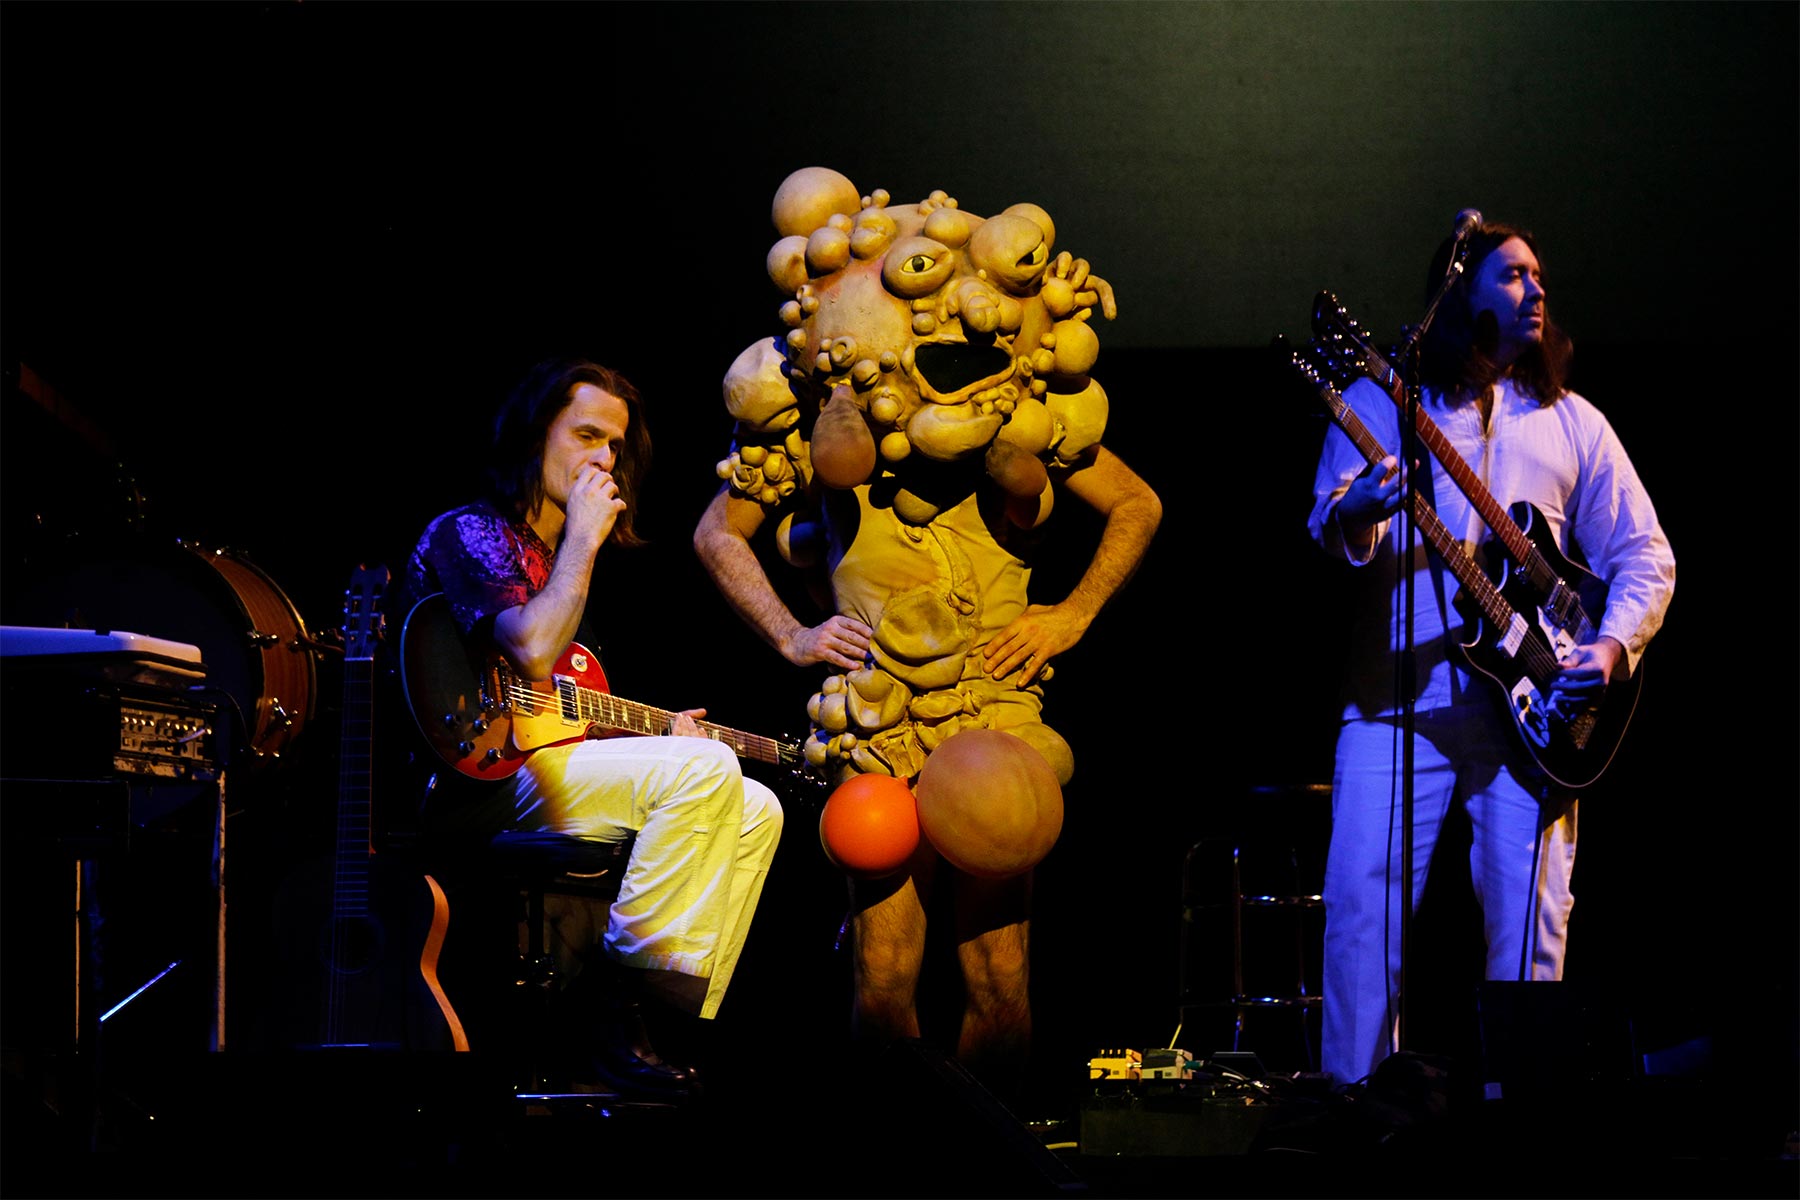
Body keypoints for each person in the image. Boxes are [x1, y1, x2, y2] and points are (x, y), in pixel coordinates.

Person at [1308, 222, 1676, 1087]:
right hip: (1390, 710)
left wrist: (1613, 645)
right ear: (1459, 291)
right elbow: (1327, 526)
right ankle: (1357, 1123)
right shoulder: (1377, 399)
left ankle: (1523, 1133)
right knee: (1363, 921)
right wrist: (1358, 508)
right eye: (1515, 276)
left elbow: (1645, 554)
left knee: (1531, 928)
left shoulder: (1570, 420)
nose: (1538, 291)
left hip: (1534, 715)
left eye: (1541, 275)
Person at [695, 440, 1160, 1088]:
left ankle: (988, 1166)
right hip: (878, 719)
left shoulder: (1006, 402)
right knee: (883, 970)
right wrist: (791, 633)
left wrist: (1072, 613)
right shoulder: (833, 410)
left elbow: (1137, 501)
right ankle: (905, 1167)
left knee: (1000, 971)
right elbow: (718, 530)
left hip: (989, 710)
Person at [406, 356, 783, 1091]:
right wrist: (581, 537)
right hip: (464, 787)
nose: (604, 460)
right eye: (585, 435)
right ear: (532, 434)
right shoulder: (470, 533)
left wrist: (659, 742)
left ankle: (656, 1009)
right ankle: (613, 1002)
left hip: (536, 770)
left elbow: (558, 712)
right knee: (706, 774)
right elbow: (535, 649)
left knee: (757, 808)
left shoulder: (555, 559)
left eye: (614, 445)